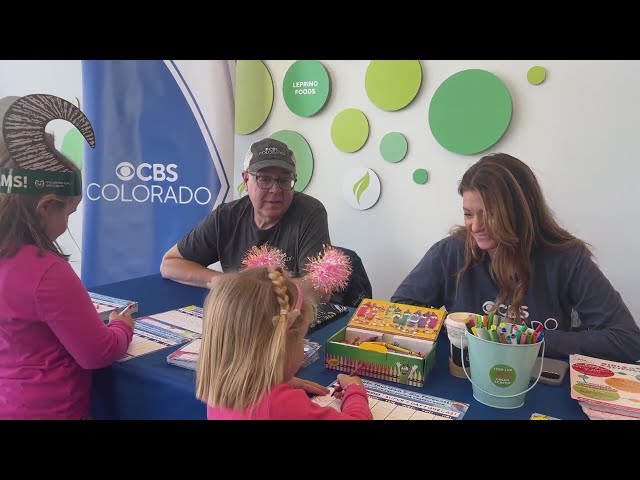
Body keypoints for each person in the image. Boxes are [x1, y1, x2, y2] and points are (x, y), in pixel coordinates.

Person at [392, 153, 640, 364]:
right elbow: (399, 309)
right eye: (468, 214)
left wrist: (523, 338)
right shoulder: (450, 251)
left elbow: (627, 340)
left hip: (537, 380)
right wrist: (462, 330)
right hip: (466, 374)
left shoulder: (566, 259)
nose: (475, 226)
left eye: (489, 214)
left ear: (520, 211)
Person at [0, 94, 134, 420]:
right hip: (53, 409)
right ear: (46, 206)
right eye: (69, 212)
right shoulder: (47, 272)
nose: (69, 223)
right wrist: (122, 325)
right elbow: (96, 352)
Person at [195, 266, 372, 420]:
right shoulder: (281, 405)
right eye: (302, 339)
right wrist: (354, 389)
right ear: (282, 344)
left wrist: (276, 380)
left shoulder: (218, 388)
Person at [160, 137, 331, 289]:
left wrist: (254, 290)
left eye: (285, 180)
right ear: (246, 179)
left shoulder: (310, 213)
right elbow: (170, 264)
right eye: (264, 179)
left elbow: (320, 288)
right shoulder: (226, 217)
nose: (275, 189)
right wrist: (224, 282)